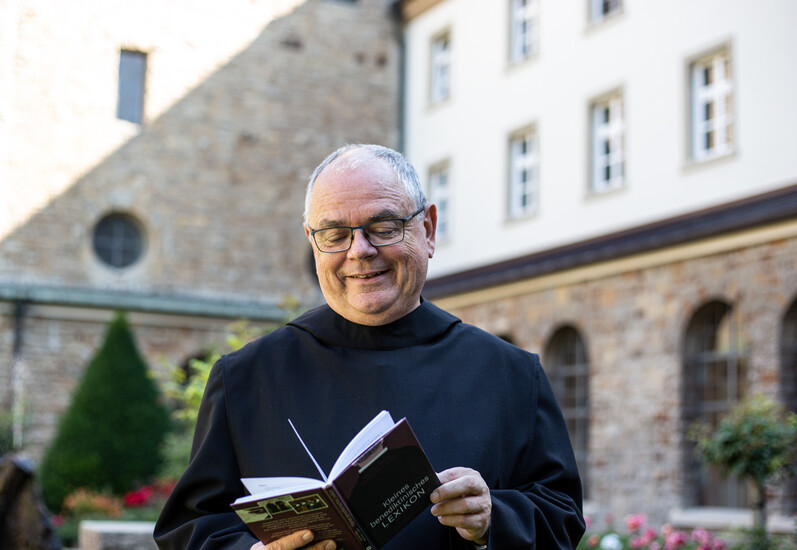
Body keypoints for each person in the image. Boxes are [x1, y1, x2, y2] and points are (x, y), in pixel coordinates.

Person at [153, 144, 585, 550]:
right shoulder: (246, 377)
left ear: (428, 230)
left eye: (383, 227)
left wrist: (493, 518)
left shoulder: (509, 374)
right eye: (335, 234)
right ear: (312, 240)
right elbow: (189, 528)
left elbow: (561, 518)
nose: (359, 251)